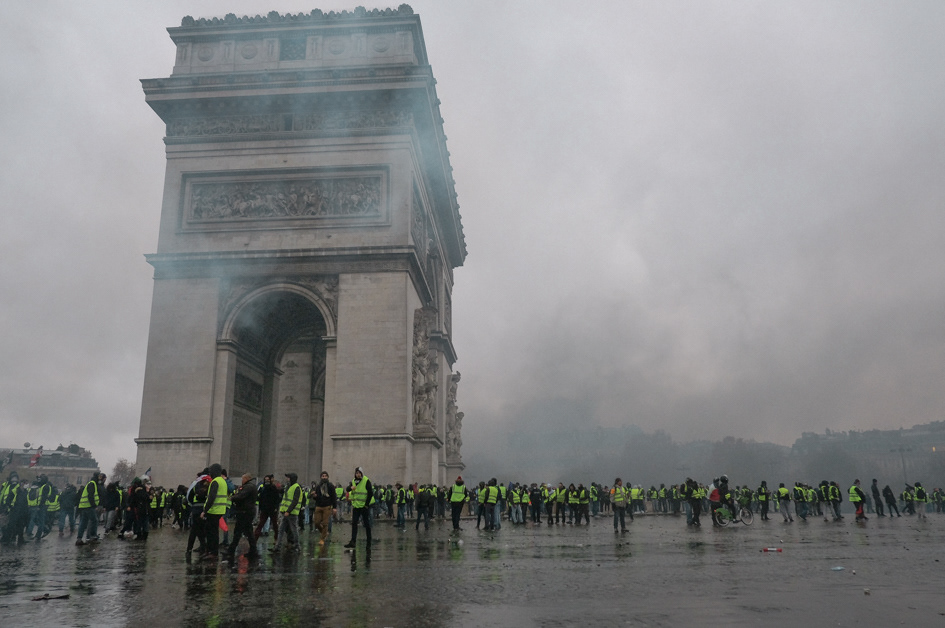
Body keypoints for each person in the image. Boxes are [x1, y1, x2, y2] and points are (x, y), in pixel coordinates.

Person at [227, 473, 258, 560]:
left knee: (238, 531)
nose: (242, 480)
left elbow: (241, 496)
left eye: (243, 479)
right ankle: (253, 551)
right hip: (246, 511)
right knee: (248, 532)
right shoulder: (251, 486)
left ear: (247, 478)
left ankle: (231, 550)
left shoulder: (248, 487)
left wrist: (232, 498)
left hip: (245, 512)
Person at [200, 464, 228, 558]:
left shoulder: (215, 481)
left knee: (211, 532)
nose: (210, 473)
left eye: (211, 471)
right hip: (220, 510)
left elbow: (211, 497)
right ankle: (211, 551)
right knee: (213, 531)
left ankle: (212, 552)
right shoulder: (223, 481)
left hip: (213, 510)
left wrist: (205, 510)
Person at [344, 467, 373, 549]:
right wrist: (350, 488)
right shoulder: (353, 481)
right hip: (356, 506)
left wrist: (367, 505)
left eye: (359, 473)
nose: (358, 474)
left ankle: (369, 540)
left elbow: (370, 493)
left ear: (362, 473)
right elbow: (347, 489)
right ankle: (353, 541)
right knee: (354, 523)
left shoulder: (366, 480)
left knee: (366, 524)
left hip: (364, 506)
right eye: (357, 473)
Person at [273, 473, 302, 554]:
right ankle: (277, 546)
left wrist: (288, 511)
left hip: (291, 513)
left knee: (293, 530)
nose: (287, 479)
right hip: (285, 511)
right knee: (281, 530)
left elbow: (295, 501)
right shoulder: (288, 486)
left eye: (288, 478)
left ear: (292, 478)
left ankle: (297, 546)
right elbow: (282, 492)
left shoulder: (296, 487)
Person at [76, 472, 104, 545]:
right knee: (94, 520)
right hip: (89, 506)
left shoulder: (91, 483)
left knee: (83, 522)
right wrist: (94, 505)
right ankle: (92, 537)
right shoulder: (92, 484)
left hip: (84, 506)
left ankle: (79, 539)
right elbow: (90, 495)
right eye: (100, 476)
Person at [310, 471, 337, 545]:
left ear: (328, 477)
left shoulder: (330, 486)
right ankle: (324, 533)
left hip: (327, 506)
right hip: (318, 506)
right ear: (320, 477)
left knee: (325, 523)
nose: (324, 477)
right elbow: (317, 497)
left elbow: (334, 497)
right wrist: (315, 496)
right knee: (316, 522)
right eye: (323, 476)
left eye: (325, 476)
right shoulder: (318, 486)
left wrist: (334, 507)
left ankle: (322, 539)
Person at [254, 475, 281, 541]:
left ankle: (276, 539)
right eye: (266, 479)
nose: (267, 481)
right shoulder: (263, 488)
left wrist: (275, 507)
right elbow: (260, 497)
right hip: (265, 509)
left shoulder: (272, 488)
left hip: (271, 509)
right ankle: (254, 541)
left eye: (268, 479)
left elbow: (277, 498)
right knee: (261, 525)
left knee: (274, 525)